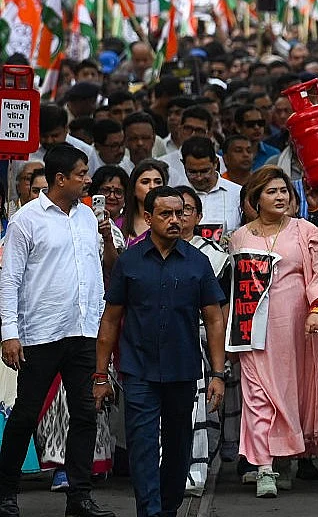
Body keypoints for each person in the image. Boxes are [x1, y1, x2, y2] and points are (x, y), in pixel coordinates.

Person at [93, 185, 227, 517]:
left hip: (183, 370)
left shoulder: (198, 262)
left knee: (179, 446)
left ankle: (168, 508)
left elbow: (213, 319)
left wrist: (218, 374)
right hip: (138, 370)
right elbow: (110, 320)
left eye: (180, 213)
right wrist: (100, 375)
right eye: (165, 214)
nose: (174, 220)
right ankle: (149, 512)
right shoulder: (130, 262)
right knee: (143, 447)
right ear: (148, 217)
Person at [0, 144, 114, 517]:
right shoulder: (26, 220)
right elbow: (10, 279)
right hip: (40, 332)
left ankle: (78, 497)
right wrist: (9, 332)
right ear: (60, 178)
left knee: (85, 414)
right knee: (25, 414)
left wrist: (98, 326)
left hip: (82, 331)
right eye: (82, 173)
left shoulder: (87, 218)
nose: (87, 179)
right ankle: (5, 493)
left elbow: (94, 273)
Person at [228, 167, 318, 498]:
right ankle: (263, 468)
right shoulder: (240, 237)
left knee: (290, 392)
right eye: (272, 192)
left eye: (284, 191)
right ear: (255, 199)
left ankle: (283, 459)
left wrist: (317, 310)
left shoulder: (305, 230)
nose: (281, 197)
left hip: (297, 326)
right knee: (258, 394)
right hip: (253, 328)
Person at [175, 185, 232, 497]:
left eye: (186, 210)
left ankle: (195, 473)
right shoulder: (149, 252)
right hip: (163, 344)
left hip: (201, 343)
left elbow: (219, 315)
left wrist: (219, 363)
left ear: (198, 215)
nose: (179, 217)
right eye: (172, 210)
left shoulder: (214, 258)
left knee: (201, 411)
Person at [181, 137, 243, 240]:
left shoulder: (237, 193)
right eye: (192, 172)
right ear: (183, 164)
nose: (199, 177)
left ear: (215, 163)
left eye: (205, 171)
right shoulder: (175, 197)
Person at [119, 159, 169, 246]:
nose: (152, 186)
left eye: (158, 182)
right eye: (145, 182)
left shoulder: (171, 222)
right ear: (133, 189)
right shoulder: (120, 224)